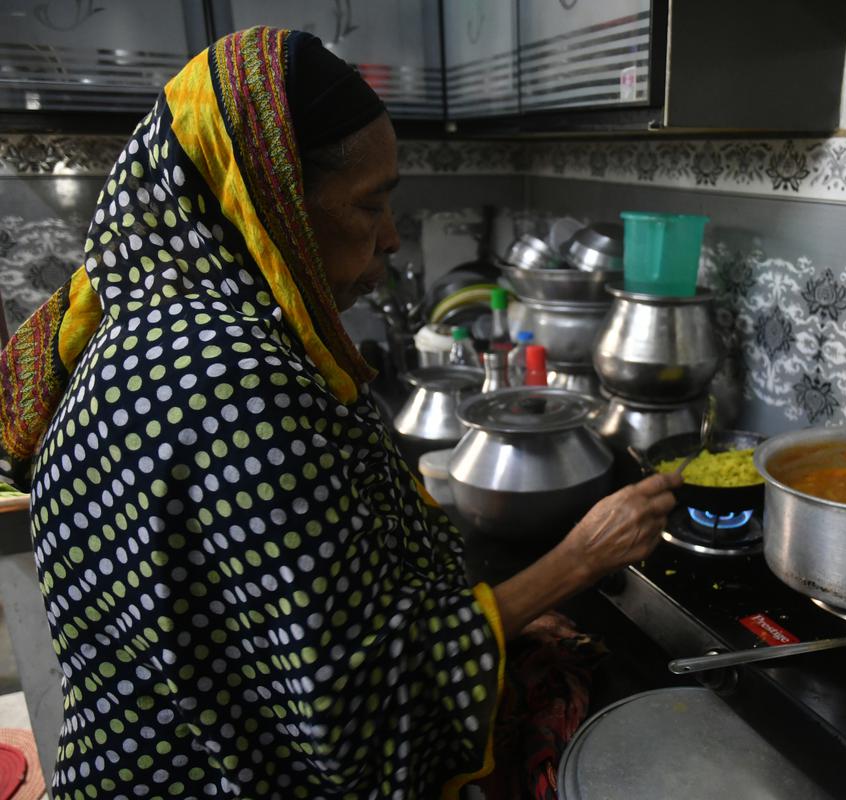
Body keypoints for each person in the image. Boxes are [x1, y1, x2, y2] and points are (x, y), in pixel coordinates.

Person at [0, 27, 679, 799]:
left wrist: (503, 617)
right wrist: (576, 562)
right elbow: (351, 708)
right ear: (273, 204)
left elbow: (276, 627)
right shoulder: (240, 389)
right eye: (369, 206)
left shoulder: (149, 325)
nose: (390, 237)